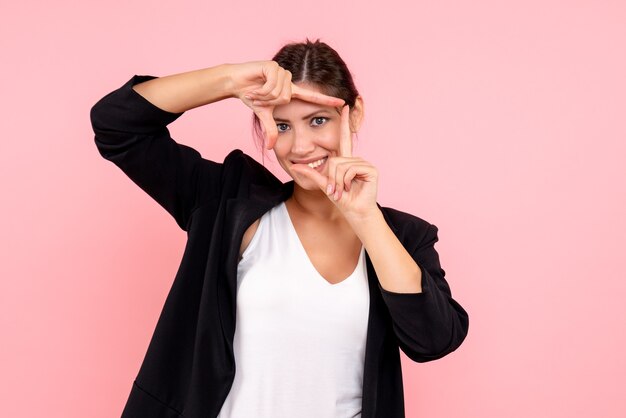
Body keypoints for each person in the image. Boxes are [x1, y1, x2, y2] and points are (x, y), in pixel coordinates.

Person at [90, 39, 469, 418]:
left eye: (318, 120)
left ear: (353, 116)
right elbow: (116, 125)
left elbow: (433, 341)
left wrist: (367, 218)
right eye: (282, 125)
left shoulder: (402, 237)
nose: (300, 146)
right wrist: (230, 80)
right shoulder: (226, 204)